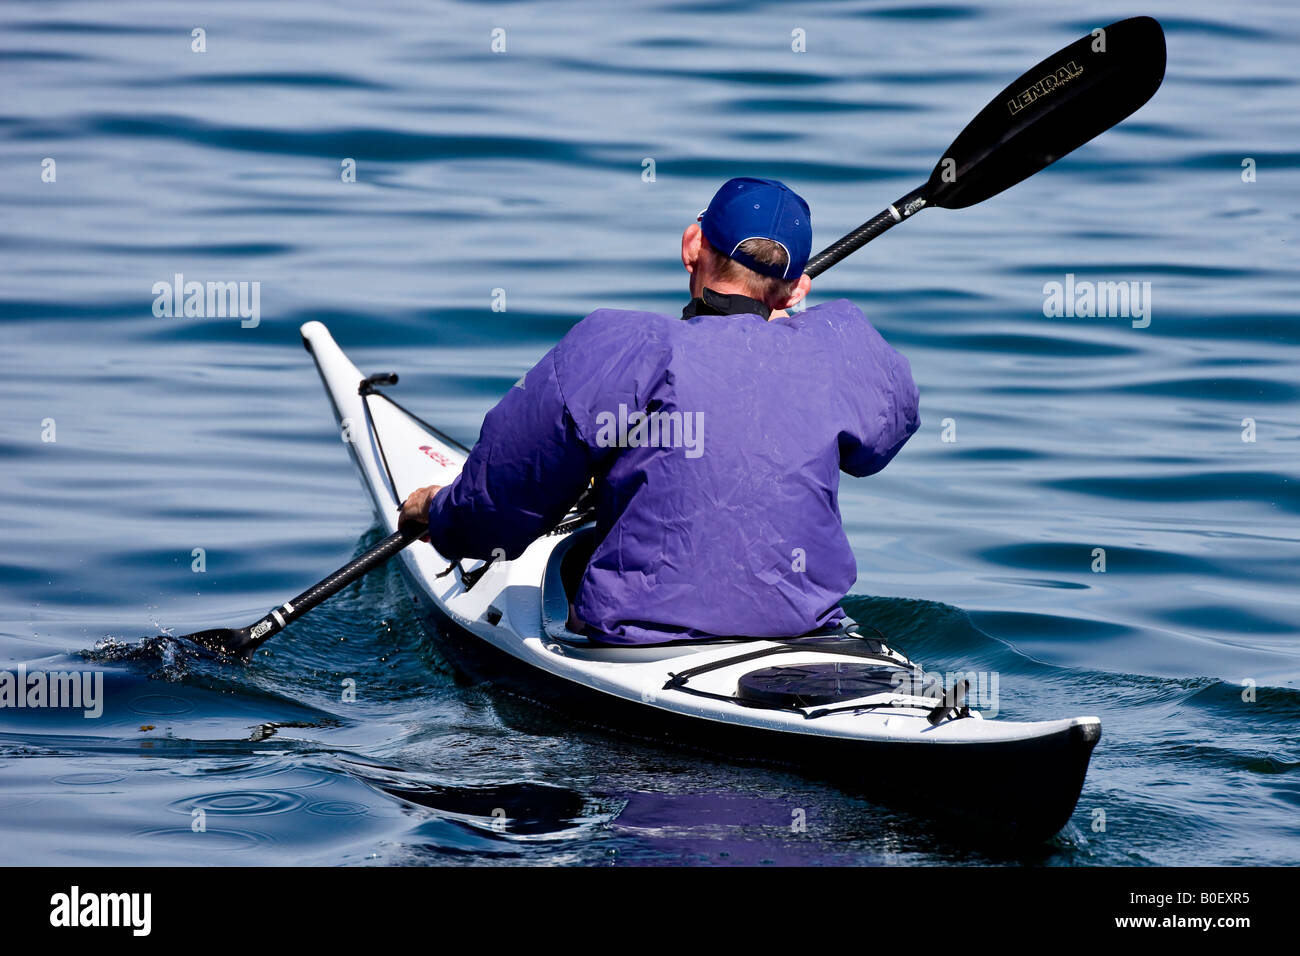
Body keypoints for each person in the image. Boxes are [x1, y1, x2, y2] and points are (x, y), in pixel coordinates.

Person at [400, 177, 919, 645]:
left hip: (641, 645)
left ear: (693, 246)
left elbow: (495, 511)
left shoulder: (618, 343)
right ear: (797, 286)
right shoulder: (837, 343)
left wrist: (438, 512)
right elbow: (882, 439)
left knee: (578, 559)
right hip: (807, 630)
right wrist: (786, 329)